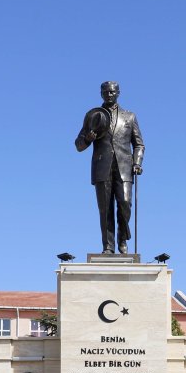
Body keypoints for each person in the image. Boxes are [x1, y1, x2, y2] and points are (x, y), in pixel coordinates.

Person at [74, 80, 144, 254]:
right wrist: (88, 139)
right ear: (101, 94)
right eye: (105, 92)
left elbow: (139, 144)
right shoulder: (94, 116)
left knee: (125, 203)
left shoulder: (130, 116)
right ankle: (108, 246)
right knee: (105, 209)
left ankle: (122, 239)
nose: (109, 95)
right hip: (102, 167)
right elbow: (78, 145)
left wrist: (137, 163)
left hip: (125, 167)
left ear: (118, 93)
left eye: (112, 92)